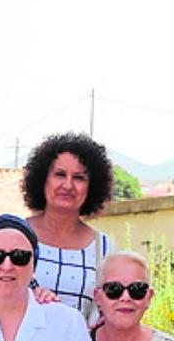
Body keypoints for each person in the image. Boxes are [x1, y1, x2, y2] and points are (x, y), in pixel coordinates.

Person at [22, 132, 117, 325]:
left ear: (92, 186)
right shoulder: (16, 235)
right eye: (60, 174)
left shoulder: (104, 247)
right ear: (43, 179)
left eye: (79, 177)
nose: (68, 185)